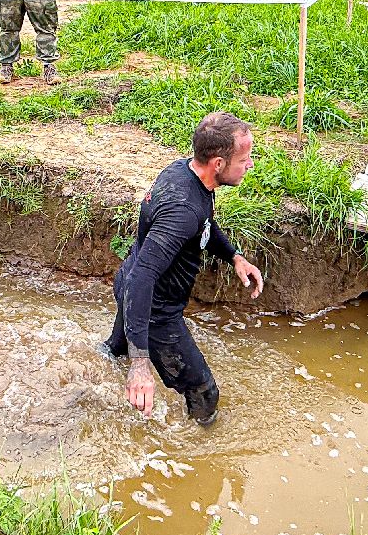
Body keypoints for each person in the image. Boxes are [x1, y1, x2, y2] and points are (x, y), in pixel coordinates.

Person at [107, 112, 264, 425]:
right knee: (204, 393)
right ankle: (201, 456)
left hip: (129, 285)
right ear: (218, 163)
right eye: (244, 159)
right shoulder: (182, 211)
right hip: (153, 308)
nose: (250, 166)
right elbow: (144, 278)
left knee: (114, 354)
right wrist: (142, 366)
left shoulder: (184, 171)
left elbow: (205, 225)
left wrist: (234, 257)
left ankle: (94, 384)